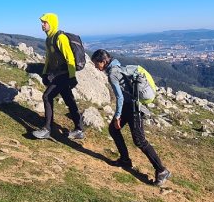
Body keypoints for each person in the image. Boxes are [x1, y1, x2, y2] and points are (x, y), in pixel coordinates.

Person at [90, 49, 171, 186]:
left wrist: (117, 116)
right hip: (129, 105)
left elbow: (119, 97)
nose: (96, 67)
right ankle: (125, 160)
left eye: (96, 64)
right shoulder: (117, 65)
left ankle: (161, 170)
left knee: (139, 140)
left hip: (133, 108)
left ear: (103, 61)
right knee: (113, 130)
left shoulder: (112, 74)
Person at [33, 13, 84, 140]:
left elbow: (70, 58)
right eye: (42, 22)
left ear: (52, 22)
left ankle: (47, 129)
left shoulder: (60, 37)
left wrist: (72, 77)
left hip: (65, 74)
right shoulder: (48, 39)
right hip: (57, 74)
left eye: (45, 22)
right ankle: (79, 129)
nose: (42, 25)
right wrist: (45, 73)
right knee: (69, 100)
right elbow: (48, 59)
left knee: (47, 96)